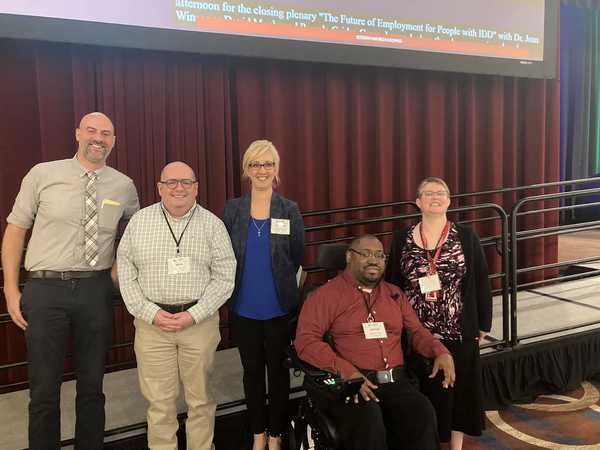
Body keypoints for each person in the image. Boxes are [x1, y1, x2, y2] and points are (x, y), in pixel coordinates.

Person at [1, 112, 139, 450]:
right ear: (77, 134)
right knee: (44, 390)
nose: (98, 138)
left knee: (92, 387)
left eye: (106, 133)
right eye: (91, 130)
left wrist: (120, 270)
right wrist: (10, 288)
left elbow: (138, 234)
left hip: (95, 291)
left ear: (114, 140)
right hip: (46, 290)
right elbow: (16, 230)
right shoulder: (43, 174)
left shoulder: (123, 185)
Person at [295, 234, 455, 450]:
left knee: (421, 412)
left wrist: (441, 351)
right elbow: (305, 342)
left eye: (379, 255)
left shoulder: (394, 294)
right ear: (349, 257)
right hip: (353, 384)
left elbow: (416, 331)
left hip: (395, 382)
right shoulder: (324, 296)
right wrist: (346, 371)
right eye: (366, 254)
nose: (374, 260)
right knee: (369, 420)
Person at [117, 161, 236, 450]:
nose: (178, 188)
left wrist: (193, 315)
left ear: (196, 188)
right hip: (151, 326)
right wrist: (150, 312)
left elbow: (225, 277)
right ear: (159, 187)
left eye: (185, 182)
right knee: (159, 404)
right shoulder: (140, 222)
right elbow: (125, 271)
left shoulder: (213, 225)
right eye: (171, 182)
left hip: (199, 325)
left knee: (201, 400)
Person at [386, 177, 493, 450]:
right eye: (429, 193)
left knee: (458, 394)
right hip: (416, 332)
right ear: (418, 201)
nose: (435, 197)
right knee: (424, 394)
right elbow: (394, 285)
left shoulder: (466, 237)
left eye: (441, 193)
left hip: (459, 329)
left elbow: (481, 280)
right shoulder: (401, 239)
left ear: (448, 200)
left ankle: (455, 447)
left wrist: (483, 323)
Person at [222, 140, 304, 450]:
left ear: (276, 169)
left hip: (279, 308)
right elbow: (223, 254)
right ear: (247, 169)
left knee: (279, 376)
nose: (262, 170)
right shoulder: (233, 209)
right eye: (256, 164)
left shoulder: (289, 209)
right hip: (244, 308)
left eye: (268, 164)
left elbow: (296, 255)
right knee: (252, 375)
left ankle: (276, 435)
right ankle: (258, 434)